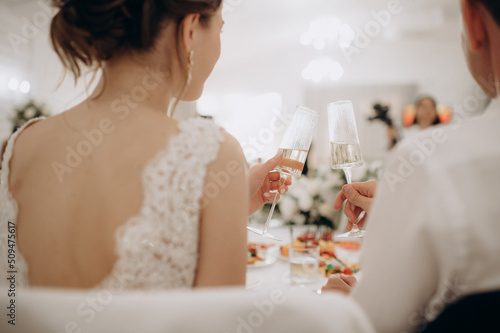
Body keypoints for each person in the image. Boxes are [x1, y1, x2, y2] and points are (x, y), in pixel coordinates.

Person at [0, 0, 289, 290]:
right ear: (190, 29)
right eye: (220, 30)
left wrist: (225, 208)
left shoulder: (20, 147)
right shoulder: (214, 155)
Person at [322, 0, 500, 332]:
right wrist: (398, 203)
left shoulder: (428, 159)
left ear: (473, 21)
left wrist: (348, 309)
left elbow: (378, 324)